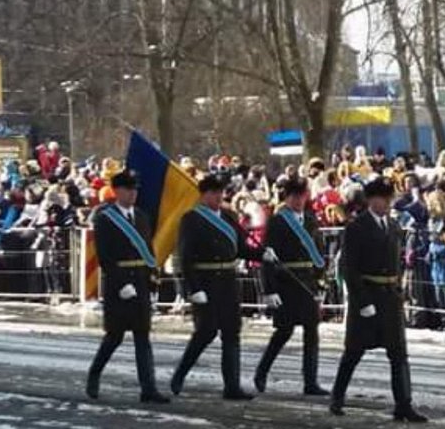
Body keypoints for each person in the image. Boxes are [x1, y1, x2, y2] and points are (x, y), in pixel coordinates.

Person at [330, 177, 428, 422]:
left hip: (389, 298)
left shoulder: (393, 226)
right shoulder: (357, 227)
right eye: (381, 199)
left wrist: (399, 289)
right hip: (368, 294)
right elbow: (350, 269)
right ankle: (337, 396)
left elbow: (396, 260)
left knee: (398, 354)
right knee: (354, 351)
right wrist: (362, 302)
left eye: (388, 199)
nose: (385, 203)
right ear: (371, 200)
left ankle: (403, 404)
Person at [171, 175, 277, 400]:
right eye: (213, 193)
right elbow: (186, 256)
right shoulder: (191, 219)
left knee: (232, 333)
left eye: (220, 192)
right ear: (203, 195)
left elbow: (239, 248)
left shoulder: (228, 218)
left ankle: (232, 386)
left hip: (228, 282)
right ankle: (180, 374)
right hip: (206, 281)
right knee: (205, 332)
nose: (218, 197)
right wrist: (194, 288)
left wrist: (261, 253)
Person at [85, 170, 169, 404]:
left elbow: (148, 250)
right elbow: (105, 255)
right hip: (119, 284)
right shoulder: (105, 218)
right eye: (128, 189)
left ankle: (148, 388)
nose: (133, 194)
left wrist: (152, 279)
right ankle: (94, 374)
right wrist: (121, 283)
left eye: (135, 190)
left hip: (141, 281)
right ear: (117, 191)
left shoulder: (141, 216)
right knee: (114, 336)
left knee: (143, 336)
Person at [254, 177, 329, 396]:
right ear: (287, 198)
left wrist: (320, 280)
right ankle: (262, 370)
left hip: (306, 281)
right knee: (284, 332)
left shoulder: (310, 220)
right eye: (294, 196)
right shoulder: (277, 221)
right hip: (286, 282)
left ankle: (310, 381)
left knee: (311, 331)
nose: (298, 200)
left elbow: (319, 251)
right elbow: (267, 257)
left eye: (301, 196)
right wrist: (269, 290)